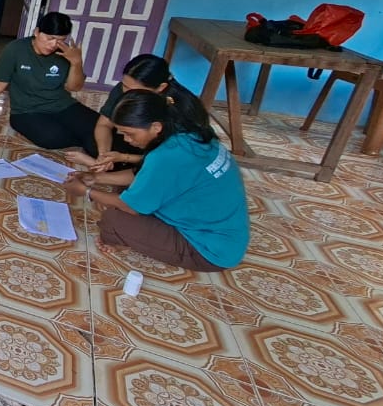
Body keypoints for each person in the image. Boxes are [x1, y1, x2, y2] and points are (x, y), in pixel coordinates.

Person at [60, 90, 249, 272]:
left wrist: (87, 192)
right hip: (219, 228)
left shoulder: (167, 155)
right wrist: (95, 178)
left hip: (208, 248)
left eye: (130, 133)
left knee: (113, 220)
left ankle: (124, 240)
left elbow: (131, 207)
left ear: (156, 127)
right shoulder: (189, 134)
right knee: (123, 190)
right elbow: (145, 174)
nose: (127, 140)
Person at [0, 11, 98, 155]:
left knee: (99, 127)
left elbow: (74, 87)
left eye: (60, 40)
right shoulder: (16, 49)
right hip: (26, 111)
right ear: (37, 32)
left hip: (62, 104)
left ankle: (91, 144)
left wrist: (76, 63)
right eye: (50, 38)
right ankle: (84, 140)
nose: (54, 44)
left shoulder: (65, 53)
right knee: (52, 138)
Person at [66, 54, 209, 172]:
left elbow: (169, 156)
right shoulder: (124, 90)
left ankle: (127, 171)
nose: (126, 92)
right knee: (93, 139)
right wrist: (104, 155)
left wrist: (123, 157)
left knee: (155, 169)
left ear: (160, 87)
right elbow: (104, 124)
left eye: (133, 89)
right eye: (124, 85)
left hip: (167, 155)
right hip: (141, 144)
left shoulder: (177, 109)